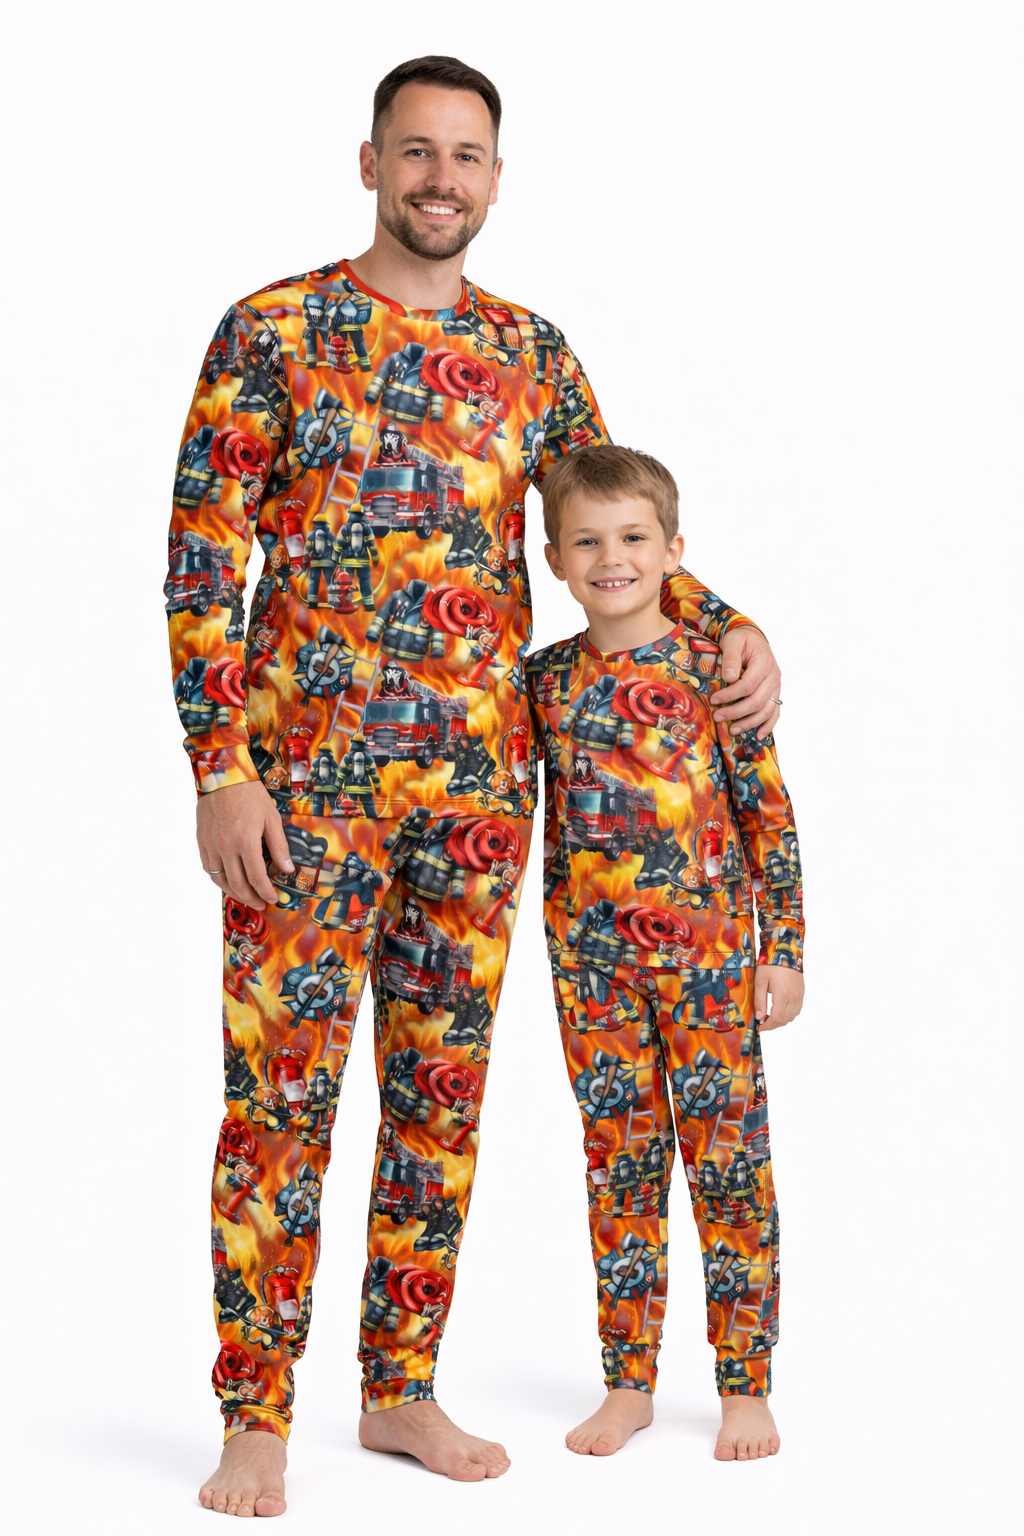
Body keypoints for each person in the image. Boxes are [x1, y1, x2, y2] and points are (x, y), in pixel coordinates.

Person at [167, 56, 783, 1517]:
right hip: (304, 801)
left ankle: (397, 1391)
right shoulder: (271, 330)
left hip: (482, 798)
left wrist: (726, 624)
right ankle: (256, 1414)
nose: (441, 178)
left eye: (467, 156)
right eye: (417, 151)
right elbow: (200, 561)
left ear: (496, 179)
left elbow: (611, 533)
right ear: (370, 162)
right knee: (279, 1105)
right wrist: (220, 770)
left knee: (436, 1107)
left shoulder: (532, 352)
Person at [526, 445, 803, 1463]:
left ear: (674, 552)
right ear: (555, 560)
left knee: (729, 1171)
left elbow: (768, 815)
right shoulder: (541, 682)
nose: (613, 558)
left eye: (634, 538)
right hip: (590, 973)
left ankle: (744, 1385)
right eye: (587, 542)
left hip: (714, 967)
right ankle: (627, 1382)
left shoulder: (715, 670)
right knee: (619, 1171)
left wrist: (785, 948)